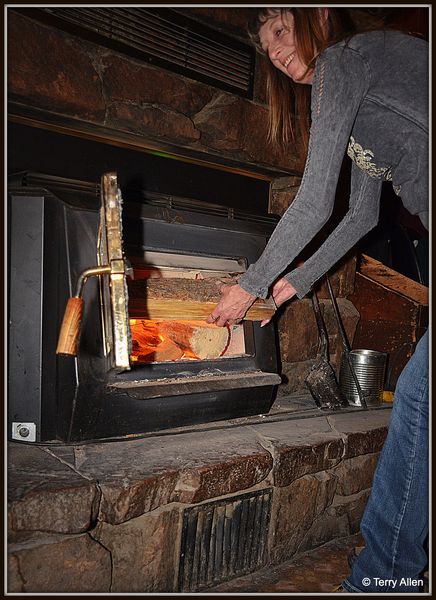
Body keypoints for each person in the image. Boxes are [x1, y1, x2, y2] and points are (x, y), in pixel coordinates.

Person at [206, 8, 429, 594]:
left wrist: (252, 283)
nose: (276, 52)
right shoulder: (353, 87)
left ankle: (383, 580)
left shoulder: (342, 63)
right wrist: (294, 282)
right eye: (267, 47)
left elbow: (310, 201)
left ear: (317, 15)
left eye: (280, 30)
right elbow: (358, 214)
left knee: (421, 397)